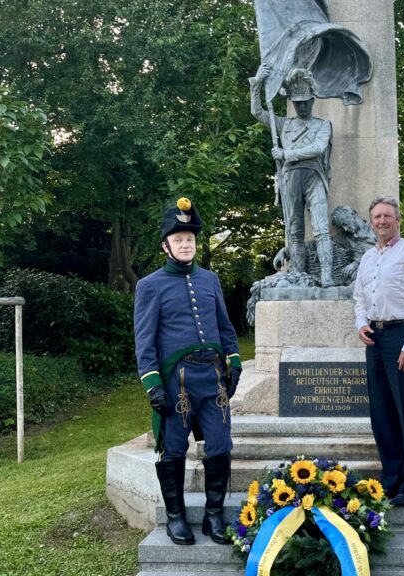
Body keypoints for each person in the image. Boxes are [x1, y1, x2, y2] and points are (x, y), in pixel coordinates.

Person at [134, 197, 242, 546]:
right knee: (175, 449)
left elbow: (226, 328)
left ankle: (214, 516)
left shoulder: (210, 279)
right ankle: (176, 517)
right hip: (175, 380)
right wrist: (152, 384)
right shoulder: (150, 285)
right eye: (178, 239)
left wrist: (234, 361)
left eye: (190, 239)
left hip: (212, 378)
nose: (185, 244)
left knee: (221, 446)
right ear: (165, 245)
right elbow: (144, 341)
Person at [353, 196, 404, 507]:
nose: (382, 221)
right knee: (381, 412)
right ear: (371, 222)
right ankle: (391, 477)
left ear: (398, 220)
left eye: (387, 216)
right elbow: (359, 297)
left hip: (402, 335)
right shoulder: (367, 258)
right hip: (374, 336)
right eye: (376, 217)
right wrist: (361, 323)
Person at [250, 63, 335, 287]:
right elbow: (257, 112)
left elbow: (317, 148)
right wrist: (257, 83)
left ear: (312, 101)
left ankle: (327, 276)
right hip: (290, 179)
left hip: (314, 176)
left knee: (321, 228)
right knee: (295, 231)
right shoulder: (283, 124)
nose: (302, 107)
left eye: (306, 102)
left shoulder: (323, 125)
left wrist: (286, 153)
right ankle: (298, 273)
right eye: (297, 103)